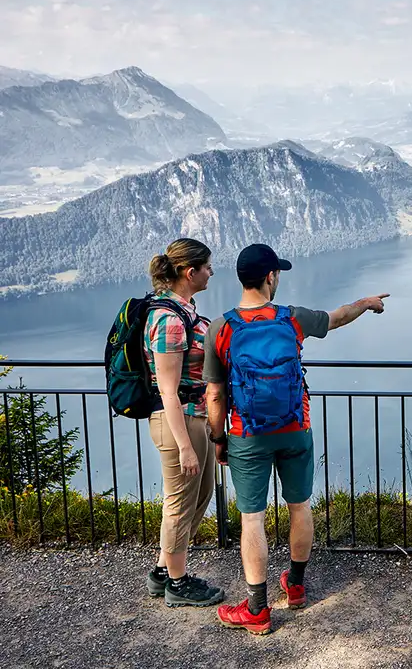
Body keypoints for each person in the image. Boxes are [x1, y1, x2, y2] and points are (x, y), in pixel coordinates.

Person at [204, 243, 388, 635]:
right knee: (299, 506)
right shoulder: (292, 319)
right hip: (295, 428)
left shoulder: (221, 328)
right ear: (270, 277)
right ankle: (297, 585)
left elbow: (215, 395)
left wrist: (219, 439)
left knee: (252, 518)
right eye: (277, 274)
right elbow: (338, 317)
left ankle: (257, 609)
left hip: (247, 435)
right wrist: (366, 302)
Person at [143, 237, 225, 607]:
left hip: (196, 418)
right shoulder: (169, 321)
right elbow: (167, 390)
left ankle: (163, 571)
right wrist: (185, 447)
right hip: (180, 422)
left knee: (199, 497)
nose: (211, 272)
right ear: (190, 273)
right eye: (207, 267)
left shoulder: (184, 311)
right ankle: (177, 584)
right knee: (179, 504)